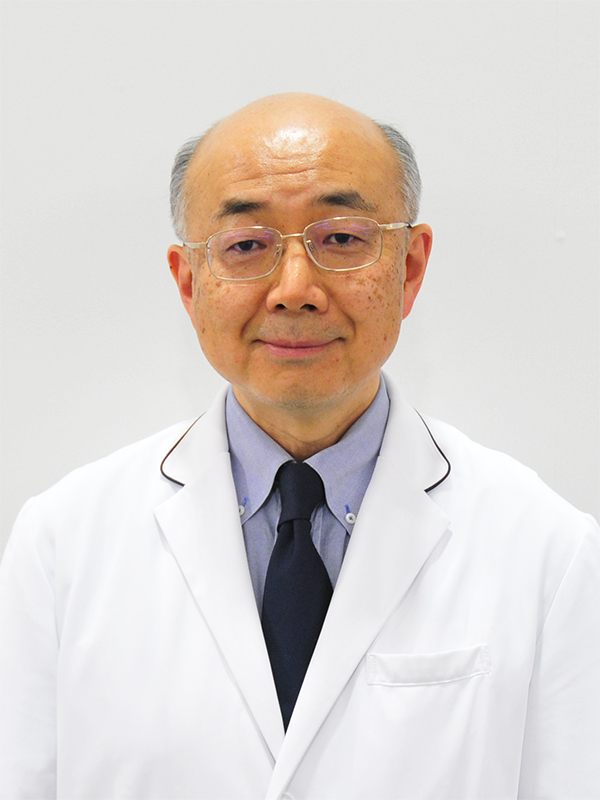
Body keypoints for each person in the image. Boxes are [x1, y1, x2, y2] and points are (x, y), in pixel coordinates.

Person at [0, 93, 598, 800]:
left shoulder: (549, 551)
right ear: (189, 282)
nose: (294, 290)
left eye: (341, 238)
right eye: (246, 245)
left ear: (410, 267)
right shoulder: (62, 544)